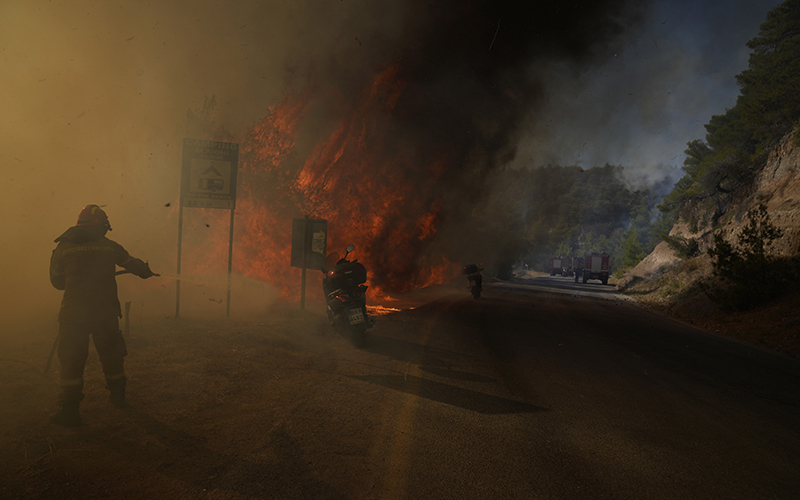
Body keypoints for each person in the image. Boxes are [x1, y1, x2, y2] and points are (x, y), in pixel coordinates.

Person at [49, 205, 156, 427]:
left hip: (73, 315)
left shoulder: (62, 248)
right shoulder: (109, 247)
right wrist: (145, 271)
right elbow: (133, 265)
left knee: (71, 362)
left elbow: (57, 282)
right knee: (112, 356)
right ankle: (118, 398)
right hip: (104, 313)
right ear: (101, 226)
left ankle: (69, 411)